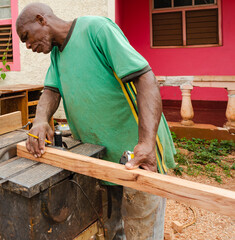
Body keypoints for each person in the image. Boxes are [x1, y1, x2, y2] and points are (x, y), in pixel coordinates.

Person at [16, 3, 176, 240]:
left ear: (41, 20)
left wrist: (146, 143)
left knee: (142, 230)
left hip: (137, 154)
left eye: (26, 37)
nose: (28, 46)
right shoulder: (57, 55)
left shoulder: (95, 29)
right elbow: (51, 90)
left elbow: (145, 78)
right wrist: (40, 120)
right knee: (112, 229)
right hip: (101, 158)